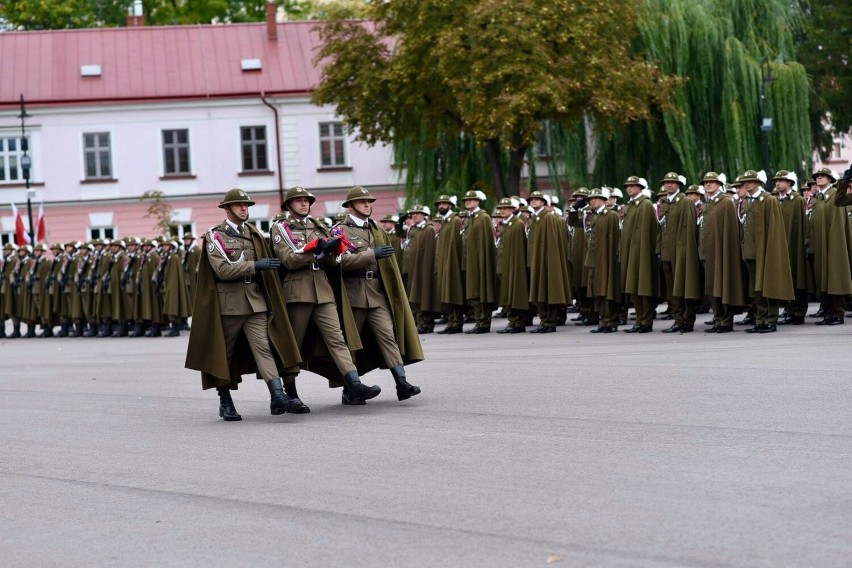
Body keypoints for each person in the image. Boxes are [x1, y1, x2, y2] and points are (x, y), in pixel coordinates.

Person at [185, 188, 304, 421]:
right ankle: (225, 401)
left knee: (264, 348)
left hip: (255, 300)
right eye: (239, 205)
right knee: (224, 354)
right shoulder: (215, 236)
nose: (244, 209)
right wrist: (254, 266)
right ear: (227, 209)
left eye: (247, 205)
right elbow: (223, 270)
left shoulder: (254, 233)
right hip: (229, 304)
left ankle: (277, 395)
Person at [271, 185, 378, 408]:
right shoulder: (281, 228)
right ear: (289, 205)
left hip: (323, 289)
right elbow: (289, 260)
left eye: (307, 200)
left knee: (337, 339)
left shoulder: (319, 226)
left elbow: (332, 261)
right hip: (297, 292)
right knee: (294, 344)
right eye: (299, 200)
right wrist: (317, 251)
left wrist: (333, 251)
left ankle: (354, 383)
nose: (304, 203)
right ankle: (290, 392)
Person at [336, 186, 424, 401]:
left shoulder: (376, 228)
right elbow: (341, 261)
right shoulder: (340, 231)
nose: (368, 205)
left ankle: (401, 382)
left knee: (388, 336)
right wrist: (370, 255)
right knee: (352, 344)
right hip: (353, 294)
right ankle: (350, 389)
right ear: (350, 206)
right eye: (362, 201)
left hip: (376, 293)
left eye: (369, 201)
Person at [738, 170, 794, 332]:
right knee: (757, 287)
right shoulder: (748, 200)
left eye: (750, 181)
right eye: (744, 182)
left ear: (758, 183)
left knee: (769, 285)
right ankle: (760, 319)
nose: (746, 184)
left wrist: (771, 251)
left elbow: (775, 228)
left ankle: (771, 320)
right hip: (751, 251)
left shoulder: (768, 200)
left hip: (765, 252)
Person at [700, 172, 745, 333]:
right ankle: (718, 318)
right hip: (708, 252)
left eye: (712, 182)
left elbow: (731, 230)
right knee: (712, 286)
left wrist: (727, 251)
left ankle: (726, 321)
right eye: (706, 182)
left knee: (723, 285)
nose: (708, 185)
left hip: (721, 252)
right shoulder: (708, 203)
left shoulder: (726, 202)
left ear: (719, 185)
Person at [658, 172, 702, 332]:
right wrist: (659, 249)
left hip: (681, 252)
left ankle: (687, 320)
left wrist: (686, 251)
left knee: (684, 286)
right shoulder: (664, 202)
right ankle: (678, 318)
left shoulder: (685, 202)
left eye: (672, 182)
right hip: (667, 252)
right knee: (672, 289)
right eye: (667, 182)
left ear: (678, 185)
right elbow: (661, 228)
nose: (669, 185)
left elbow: (689, 229)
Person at [810, 168, 852, 324]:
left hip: (833, 243)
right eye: (817, 176)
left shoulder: (833, 194)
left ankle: (837, 313)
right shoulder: (819, 197)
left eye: (823, 176)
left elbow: (838, 220)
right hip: (821, 243)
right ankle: (829, 311)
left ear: (830, 179)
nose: (819, 178)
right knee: (825, 277)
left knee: (835, 277)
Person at [527, 191, 572, 333]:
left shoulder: (548, 217)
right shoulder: (536, 217)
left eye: (537, 199)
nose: (533, 201)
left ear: (543, 202)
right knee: (539, 291)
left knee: (548, 291)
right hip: (537, 261)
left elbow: (552, 243)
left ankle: (549, 322)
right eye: (532, 199)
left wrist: (551, 262)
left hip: (547, 261)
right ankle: (544, 320)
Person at [620, 176, 659, 333]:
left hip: (642, 253)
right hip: (631, 252)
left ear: (640, 188)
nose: (629, 188)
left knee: (643, 287)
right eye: (628, 186)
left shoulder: (645, 204)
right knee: (634, 288)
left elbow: (649, 231)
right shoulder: (631, 205)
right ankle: (639, 320)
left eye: (633, 186)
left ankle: (646, 321)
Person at [774, 170, 813, 325]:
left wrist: (804, 243)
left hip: (795, 245)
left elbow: (803, 225)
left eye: (781, 180)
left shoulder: (797, 200)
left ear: (789, 183)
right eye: (776, 181)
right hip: (781, 245)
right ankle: (790, 310)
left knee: (798, 278)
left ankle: (799, 312)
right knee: (786, 279)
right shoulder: (777, 200)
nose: (777, 183)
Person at [584, 188, 621, 333]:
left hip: (606, 258)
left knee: (607, 289)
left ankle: (611, 321)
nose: (593, 201)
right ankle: (603, 320)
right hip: (593, 258)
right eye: (591, 199)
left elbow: (614, 239)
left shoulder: (610, 215)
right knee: (597, 289)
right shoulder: (593, 216)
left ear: (604, 200)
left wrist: (612, 258)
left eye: (596, 198)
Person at [494, 197, 530, 333]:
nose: (502, 211)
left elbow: (520, 247)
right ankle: (512, 321)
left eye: (505, 208)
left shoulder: (517, 224)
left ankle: (519, 322)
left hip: (515, 265)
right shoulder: (504, 224)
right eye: (501, 209)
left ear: (512, 209)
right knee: (507, 293)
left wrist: (518, 266)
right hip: (504, 264)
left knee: (516, 293)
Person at [405, 204, 441, 334]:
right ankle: (419, 322)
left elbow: (431, 251)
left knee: (424, 295)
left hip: (424, 268)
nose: (414, 215)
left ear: (424, 215)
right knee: (414, 296)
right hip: (414, 268)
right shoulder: (414, 229)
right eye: (413, 214)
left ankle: (426, 323)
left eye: (418, 213)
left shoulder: (428, 229)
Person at [434, 194, 465, 334]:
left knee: (453, 292)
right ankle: (451, 321)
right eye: (439, 204)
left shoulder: (455, 220)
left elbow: (456, 244)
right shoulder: (445, 221)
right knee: (446, 293)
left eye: (444, 203)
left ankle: (457, 323)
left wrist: (453, 263)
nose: (441, 206)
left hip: (452, 263)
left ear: (450, 205)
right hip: (444, 263)